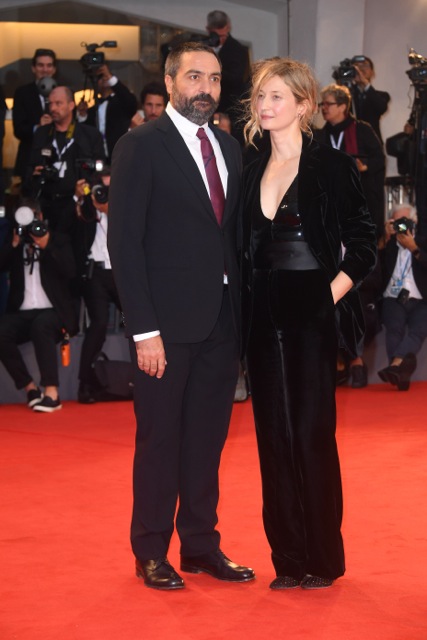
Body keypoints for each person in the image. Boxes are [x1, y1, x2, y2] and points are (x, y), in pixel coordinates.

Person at [108, 41, 254, 591]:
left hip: (222, 323)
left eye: (214, 79)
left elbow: (231, 237)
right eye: (194, 77)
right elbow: (125, 244)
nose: (206, 88)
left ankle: (200, 546)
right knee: (161, 442)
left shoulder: (228, 147)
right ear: (170, 82)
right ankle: (150, 551)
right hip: (164, 330)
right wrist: (144, 330)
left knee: (206, 443)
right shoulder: (140, 145)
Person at [241, 57, 377, 590]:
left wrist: (327, 297)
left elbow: (365, 246)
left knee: (312, 435)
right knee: (271, 437)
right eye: (259, 98)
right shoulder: (251, 168)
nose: (265, 107)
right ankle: (289, 558)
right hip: (261, 313)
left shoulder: (332, 166)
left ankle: (322, 557)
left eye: (276, 97)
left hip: (312, 309)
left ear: (303, 105)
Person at [0, 199, 78, 411]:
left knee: (41, 325)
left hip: (54, 312)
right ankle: (30, 388)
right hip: (22, 312)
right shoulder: (15, 243)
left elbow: (70, 271)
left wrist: (47, 245)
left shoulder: (59, 240)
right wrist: (14, 244)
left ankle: (52, 393)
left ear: (41, 217)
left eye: (34, 217)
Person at [27, 86, 105, 237]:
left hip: (78, 207)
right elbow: (29, 169)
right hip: (48, 206)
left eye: (58, 103)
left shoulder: (89, 135)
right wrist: (34, 173)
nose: (53, 108)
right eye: (50, 104)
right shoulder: (42, 134)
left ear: (71, 105)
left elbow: (99, 171)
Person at [73, 169, 122, 404]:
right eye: (101, 189)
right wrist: (81, 199)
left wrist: (113, 210)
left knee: (142, 321)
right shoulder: (86, 212)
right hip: (96, 274)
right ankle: (85, 383)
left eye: (110, 190)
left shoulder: (125, 208)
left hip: (123, 273)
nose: (105, 194)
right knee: (99, 324)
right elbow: (73, 225)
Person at [316, 83, 385, 237]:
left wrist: (364, 167)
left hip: (360, 198)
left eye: (329, 104)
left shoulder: (362, 129)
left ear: (342, 107)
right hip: (330, 202)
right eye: (322, 104)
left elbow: (379, 158)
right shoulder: (320, 136)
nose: (323, 108)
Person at [377, 203, 427, 390]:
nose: (402, 226)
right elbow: (372, 265)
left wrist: (414, 248)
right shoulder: (388, 244)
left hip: (421, 299)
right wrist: (384, 238)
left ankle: (395, 366)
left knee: (419, 330)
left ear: (415, 222)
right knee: (394, 328)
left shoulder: (422, 242)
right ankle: (401, 372)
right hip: (393, 296)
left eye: (405, 221)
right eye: (397, 222)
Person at [76, 63, 137, 162]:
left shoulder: (121, 103)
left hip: (119, 156)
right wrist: (82, 116)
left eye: (105, 77)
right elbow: (83, 132)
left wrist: (110, 77)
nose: (103, 79)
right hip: (97, 158)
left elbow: (130, 101)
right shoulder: (92, 109)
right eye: (100, 77)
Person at [12, 48, 57, 181]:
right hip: (29, 162)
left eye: (49, 65)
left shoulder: (63, 92)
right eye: (40, 65)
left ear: (54, 69)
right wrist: (38, 128)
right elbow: (19, 130)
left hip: (58, 162)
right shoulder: (22, 93)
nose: (45, 69)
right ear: (33, 68)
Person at [206, 10, 250, 141]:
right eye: (216, 35)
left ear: (228, 28)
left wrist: (214, 70)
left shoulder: (238, 49)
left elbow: (237, 79)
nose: (220, 39)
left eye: (223, 36)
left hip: (230, 109)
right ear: (208, 30)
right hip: (207, 108)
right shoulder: (201, 48)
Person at [349, 55, 390, 143]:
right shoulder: (348, 94)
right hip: (351, 141)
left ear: (372, 72)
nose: (361, 69)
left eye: (365, 65)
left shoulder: (382, 95)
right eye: (357, 66)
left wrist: (365, 84)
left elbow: (381, 108)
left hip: (372, 142)